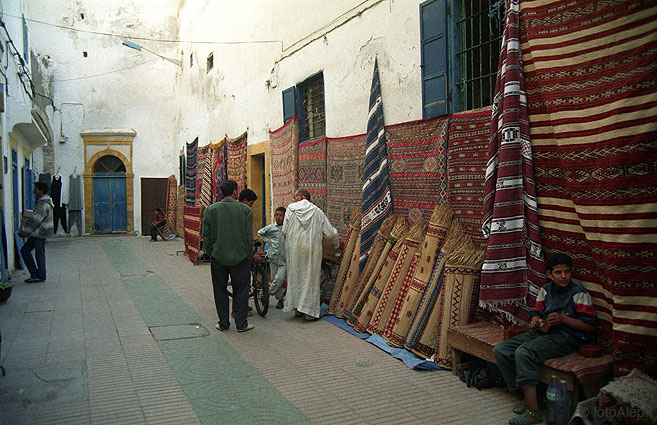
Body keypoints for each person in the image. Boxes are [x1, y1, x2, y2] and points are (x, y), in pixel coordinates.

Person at [493, 253, 597, 425]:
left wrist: (564, 320)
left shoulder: (579, 294)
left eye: (567, 272)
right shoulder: (546, 290)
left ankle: (534, 412)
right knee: (502, 350)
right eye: (558, 272)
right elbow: (536, 311)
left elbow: (589, 326)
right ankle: (527, 398)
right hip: (544, 331)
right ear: (550, 274)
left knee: (524, 353)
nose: (563, 276)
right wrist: (534, 319)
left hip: (565, 337)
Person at [202, 180, 255, 332]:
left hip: (218, 256)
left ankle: (223, 323)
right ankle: (241, 323)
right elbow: (248, 236)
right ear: (234, 192)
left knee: (220, 290)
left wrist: (211, 251)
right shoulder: (245, 211)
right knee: (242, 290)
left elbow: (206, 235)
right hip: (240, 257)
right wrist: (249, 253)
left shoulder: (211, 210)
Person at [282, 189, 339, 320]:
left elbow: (284, 230)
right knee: (310, 278)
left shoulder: (290, 209)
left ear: (300, 197)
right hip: (312, 250)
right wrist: (336, 245)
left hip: (294, 249)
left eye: (295, 197)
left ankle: (297, 309)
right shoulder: (318, 212)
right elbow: (331, 233)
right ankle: (308, 313)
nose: (294, 200)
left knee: (295, 276)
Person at [18, 182, 54, 283]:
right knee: (29, 251)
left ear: (41, 191)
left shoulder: (42, 204)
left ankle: (39, 275)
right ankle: (36, 274)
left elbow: (35, 221)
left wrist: (24, 232)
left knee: (38, 253)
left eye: (36, 189)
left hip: (39, 233)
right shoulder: (46, 202)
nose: (34, 191)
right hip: (39, 233)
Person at [257, 207, 287, 309]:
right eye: (276, 215)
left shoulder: (287, 229)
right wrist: (268, 241)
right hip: (273, 257)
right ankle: (280, 300)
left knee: (280, 278)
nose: (278, 217)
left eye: (281, 215)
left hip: (284, 258)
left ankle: (267, 293)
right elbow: (260, 233)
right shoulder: (271, 228)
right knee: (274, 278)